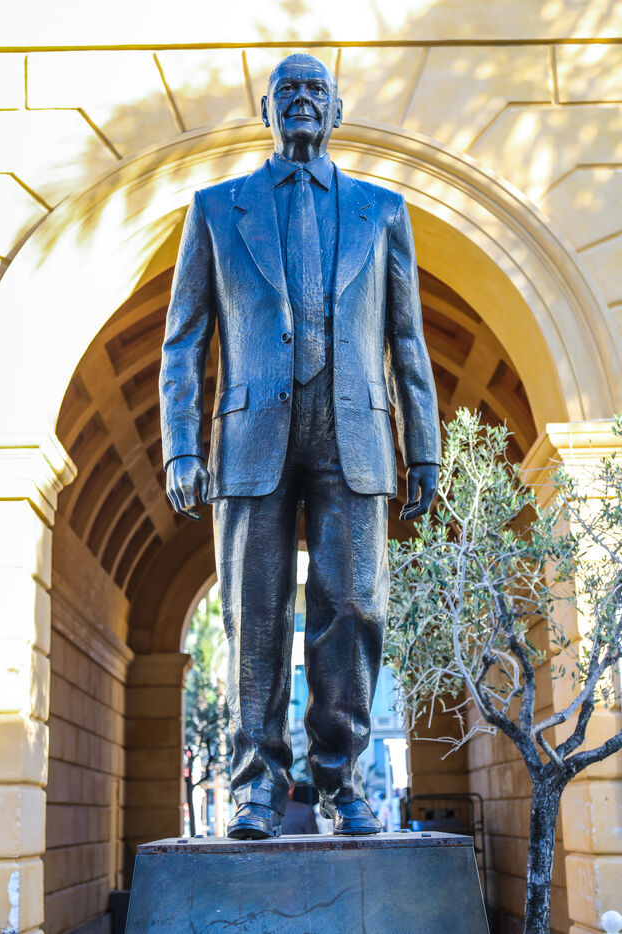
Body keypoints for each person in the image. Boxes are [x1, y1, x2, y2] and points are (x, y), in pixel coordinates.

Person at [159, 53, 440, 840]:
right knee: (253, 613)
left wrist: (422, 445)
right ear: (266, 108)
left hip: (354, 432)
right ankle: (256, 789)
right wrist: (181, 445)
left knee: (353, 608)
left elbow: (406, 339)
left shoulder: (382, 211)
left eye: (317, 89)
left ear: (337, 109)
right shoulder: (216, 210)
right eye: (288, 90)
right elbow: (183, 341)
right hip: (250, 437)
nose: (303, 100)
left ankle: (341, 784)